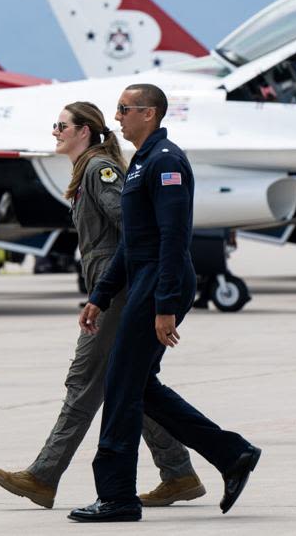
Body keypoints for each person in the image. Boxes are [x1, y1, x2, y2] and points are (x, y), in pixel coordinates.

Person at [0, 101, 205, 509]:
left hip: (120, 293)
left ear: (84, 131)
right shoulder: (87, 169)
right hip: (118, 289)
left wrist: (110, 289)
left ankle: (43, 475)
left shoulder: (98, 170)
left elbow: (132, 227)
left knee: (84, 381)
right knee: (128, 386)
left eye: (62, 125)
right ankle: (178, 473)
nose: (55, 131)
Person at [69, 84, 261, 523]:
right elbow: (133, 242)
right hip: (144, 282)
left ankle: (117, 498)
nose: (117, 117)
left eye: (124, 109)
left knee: (119, 386)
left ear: (149, 113)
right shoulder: (141, 163)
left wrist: (165, 304)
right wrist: (99, 298)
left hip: (159, 283)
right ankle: (232, 454)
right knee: (137, 386)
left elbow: (174, 238)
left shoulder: (166, 161)